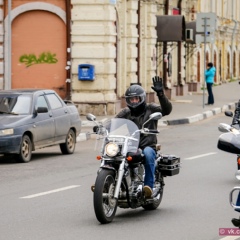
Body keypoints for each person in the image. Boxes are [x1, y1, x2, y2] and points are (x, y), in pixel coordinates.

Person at [115, 76, 172, 198]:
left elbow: (166, 110)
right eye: (131, 99)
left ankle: (148, 187)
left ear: (142, 99)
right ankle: (108, 182)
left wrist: (161, 94)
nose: (134, 102)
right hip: (130, 146)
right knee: (114, 153)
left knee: (148, 153)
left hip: (147, 145)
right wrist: (102, 128)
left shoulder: (151, 109)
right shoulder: (126, 112)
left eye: (136, 99)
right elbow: (114, 123)